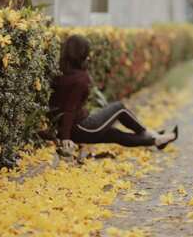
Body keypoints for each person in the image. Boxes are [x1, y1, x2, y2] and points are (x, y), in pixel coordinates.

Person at [49, 35, 178, 155]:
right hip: (83, 127)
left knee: (115, 135)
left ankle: (156, 141)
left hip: (74, 129)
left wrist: (63, 134)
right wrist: (65, 138)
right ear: (83, 54)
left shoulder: (59, 73)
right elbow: (69, 109)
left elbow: (61, 106)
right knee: (119, 108)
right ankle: (150, 133)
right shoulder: (80, 79)